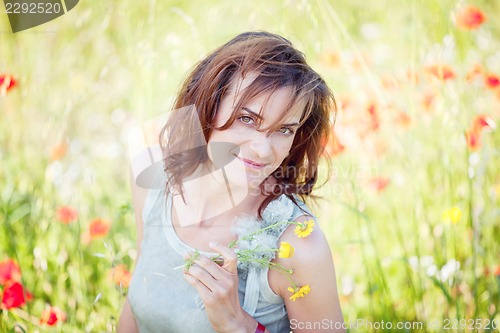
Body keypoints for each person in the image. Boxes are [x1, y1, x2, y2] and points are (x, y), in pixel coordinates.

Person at [118, 31, 344, 333]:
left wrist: (237, 324)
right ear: (207, 104)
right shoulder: (153, 181)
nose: (263, 150)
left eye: (284, 130)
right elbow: (138, 303)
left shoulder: (298, 244)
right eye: (247, 119)